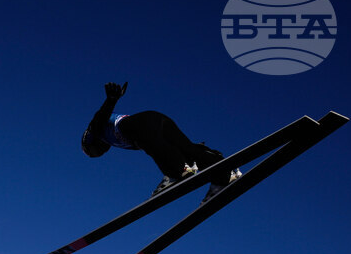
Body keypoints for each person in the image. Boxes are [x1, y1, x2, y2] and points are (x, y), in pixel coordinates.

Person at [81, 82, 240, 201]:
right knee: (187, 149)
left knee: (152, 146)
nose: (101, 153)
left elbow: (99, 117)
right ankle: (224, 175)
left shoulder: (96, 130)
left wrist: (111, 100)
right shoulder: (113, 138)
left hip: (142, 125)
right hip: (157, 119)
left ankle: (176, 172)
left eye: (95, 153)